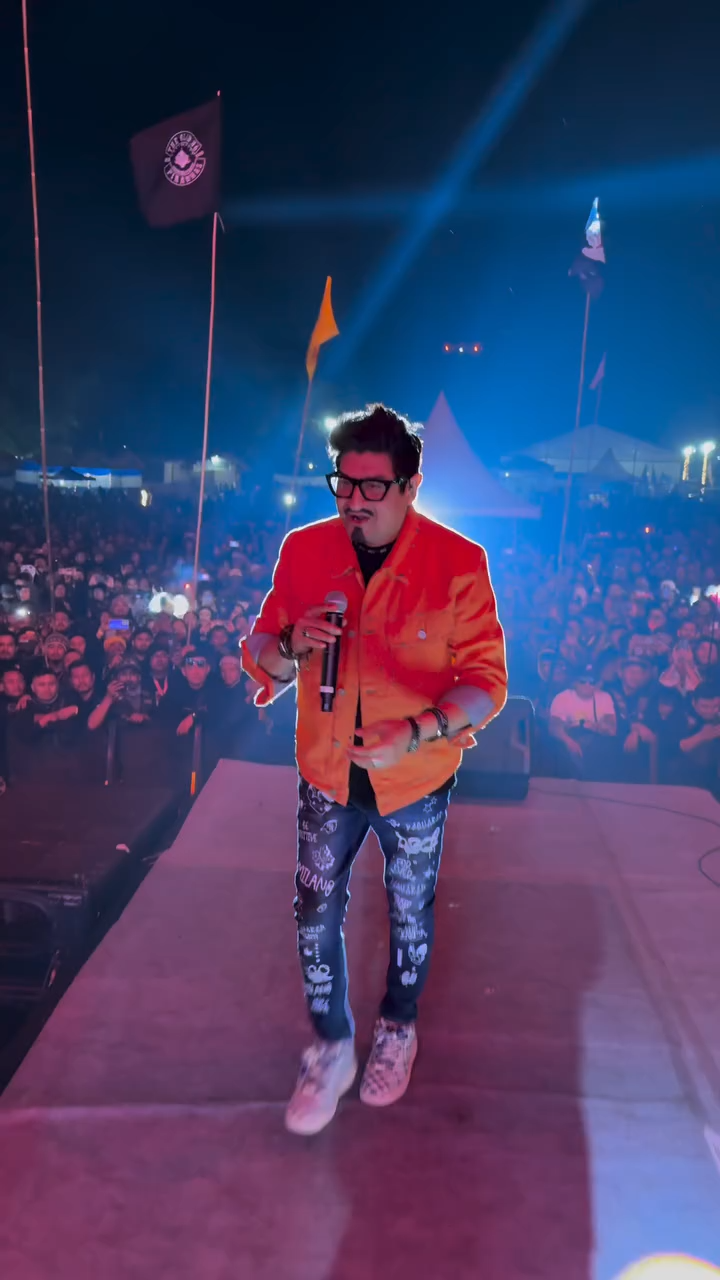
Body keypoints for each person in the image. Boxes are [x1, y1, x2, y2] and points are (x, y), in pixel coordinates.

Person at [242, 403, 507, 1135]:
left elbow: (486, 682)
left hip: (415, 779)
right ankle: (330, 1045)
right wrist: (291, 645)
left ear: (411, 486)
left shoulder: (458, 562)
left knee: (409, 909)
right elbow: (262, 652)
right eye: (343, 483)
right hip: (326, 774)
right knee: (314, 910)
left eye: (372, 487)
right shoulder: (304, 550)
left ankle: (398, 1027)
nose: (353, 501)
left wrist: (417, 731)